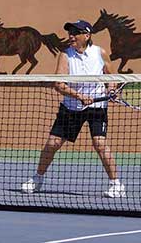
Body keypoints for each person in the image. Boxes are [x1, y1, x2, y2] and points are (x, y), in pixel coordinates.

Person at [21, 19, 126, 198]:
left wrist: (112, 89)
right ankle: (37, 179)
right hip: (71, 107)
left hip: (97, 108)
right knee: (53, 144)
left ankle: (116, 184)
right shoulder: (65, 55)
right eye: (70, 33)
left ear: (87, 35)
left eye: (75, 33)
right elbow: (58, 84)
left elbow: (111, 76)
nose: (71, 36)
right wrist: (79, 97)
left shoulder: (100, 53)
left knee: (100, 144)